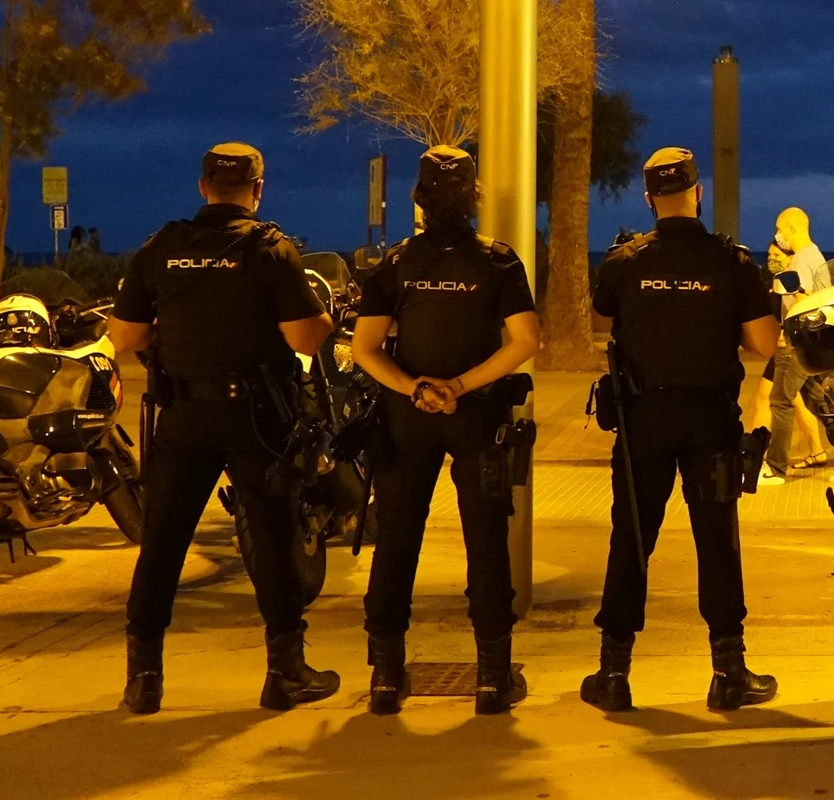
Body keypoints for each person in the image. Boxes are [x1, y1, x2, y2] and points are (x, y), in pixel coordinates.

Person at [107, 143, 339, 714]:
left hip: (183, 416)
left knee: (162, 544)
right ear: (257, 190)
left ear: (203, 186)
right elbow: (305, 340)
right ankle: (285, 673)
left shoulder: (161, 248)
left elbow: (125, 337)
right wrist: (328, 319)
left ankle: (144, 678)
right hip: (256, 419)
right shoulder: (270, 250)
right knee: (274, 537)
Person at [583, 147, 782, 712]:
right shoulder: (732, 263)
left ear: (648, 200)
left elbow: (600, 319)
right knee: (717, 542)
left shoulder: (624, 262)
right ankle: (728, 673)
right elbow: (764, 344)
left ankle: (614, 673)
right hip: (710, 422)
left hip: (641, 420)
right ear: (699, 193)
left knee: (632, 541)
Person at [352, 146, 540, 715]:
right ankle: (491, 678)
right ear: (474, 196)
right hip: (476, 418)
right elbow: (526, 342)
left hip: (407, 419)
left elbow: (364, 349)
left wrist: (415, 388)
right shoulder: (499, 262)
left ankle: (386, 677)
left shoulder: (395, 263)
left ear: (419, 198)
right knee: (486, 545)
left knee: (397, 544)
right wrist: (460, 387)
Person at [760, 206, 834, 481]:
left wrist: (789, 327)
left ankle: (775, 468)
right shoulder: (815, 256)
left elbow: (808, 300)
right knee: (821, 403)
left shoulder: (801, 261)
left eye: (779, 229)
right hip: (812, 342)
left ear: (792, 228)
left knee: (780, 400)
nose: (777, 235)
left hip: (797, 343)